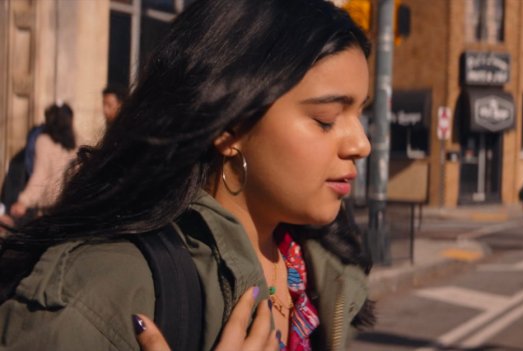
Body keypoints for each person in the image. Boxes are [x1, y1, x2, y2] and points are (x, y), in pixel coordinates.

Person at [0, 0, 374, 350]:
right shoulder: (106, 289)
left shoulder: (315, 270)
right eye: (326, 120)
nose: (361, 144)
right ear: (230, 128)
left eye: (360, 114)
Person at [9, 103, 76, 220]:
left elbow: (41, 175)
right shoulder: (76, 145)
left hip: (49, 211)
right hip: (69, 209)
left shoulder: (44, 141)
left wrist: (24, 201)